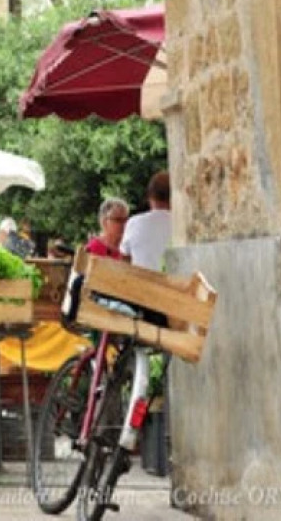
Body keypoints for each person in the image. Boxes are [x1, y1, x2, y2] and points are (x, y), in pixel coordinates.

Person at [118, 172, 173, 452]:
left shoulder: (134, 223)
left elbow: (125, 266)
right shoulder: (182, 222)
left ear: (150, 197)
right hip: (177, 313)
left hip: (144, 312)